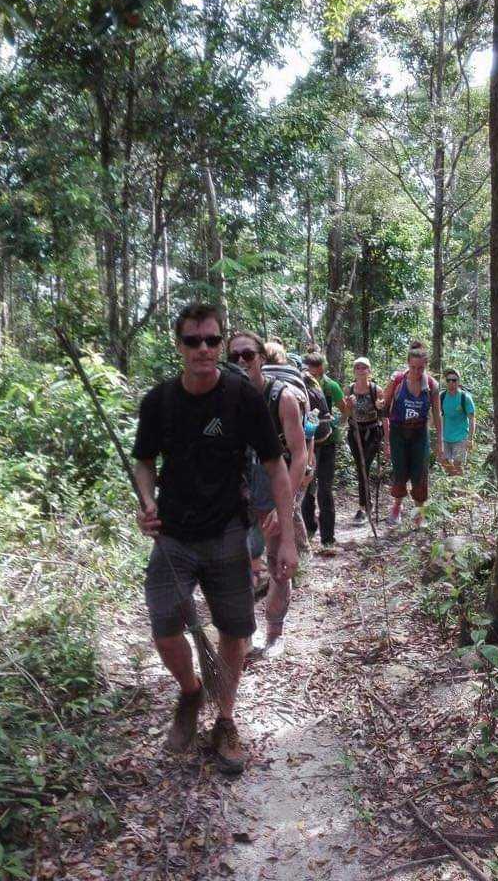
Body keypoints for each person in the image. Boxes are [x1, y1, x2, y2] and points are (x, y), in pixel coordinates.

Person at [132, 303, 298, 774]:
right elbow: (144, 462)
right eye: (192, 341)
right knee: (165, 628)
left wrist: (285, 538)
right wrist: (147, 501)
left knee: (235, 632)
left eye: (211, 340)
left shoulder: (241, 398)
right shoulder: (159, 402)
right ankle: (190, 691)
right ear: (179, 346)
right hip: (173, 538)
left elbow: (276, 466)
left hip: (227, 531)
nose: (203, 349)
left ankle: (224, 719)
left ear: (222, 344)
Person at [227, 331, 308, 659]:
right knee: (238, 564)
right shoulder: (226, 399)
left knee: (278, 566)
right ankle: (245, 634)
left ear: (261, 357)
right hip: (240, 491)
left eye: (248, 354)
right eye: (235, 357)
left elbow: (300, 454)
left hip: (276, 486)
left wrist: (282, 505)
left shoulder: (283, 398)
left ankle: (275, 633)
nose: (243, 361)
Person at [382, 341, 443, 525]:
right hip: (398, 432)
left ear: (426, 366)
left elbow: (437, 415)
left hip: (419, 432)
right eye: (413, 367)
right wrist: (386, 439)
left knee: (420, 472)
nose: (416, 371)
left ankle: (419, 513)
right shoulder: (398, 380)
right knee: (400, 470)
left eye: (421, 368)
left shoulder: (432, 385)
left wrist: (439, 442)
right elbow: (384, 406)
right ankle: (397, 507)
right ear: (408, 364)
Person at [300, 353, 345, 548]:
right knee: (307, 487)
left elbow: (344, 409)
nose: (313, 371)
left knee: (324, 489)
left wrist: (335, 424)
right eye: (310, 366)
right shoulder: (299, 385)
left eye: (316, 367)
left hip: (327, 443)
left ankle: (328, 538)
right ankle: (309, 529)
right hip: (306, 442)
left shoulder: (331, 386)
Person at [345, 357, 384, 525]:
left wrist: (380, 406)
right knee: (360, 467)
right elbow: (345, 414)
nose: (361, 370)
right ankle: (364, 505)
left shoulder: (376, 390)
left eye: (364, 368)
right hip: (355, 432)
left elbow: (383, 414)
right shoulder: (349, 389)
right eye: (358, 368)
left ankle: (364, 506)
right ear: (354, 371)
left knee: (364, 466)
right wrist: (348, 405)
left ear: (370, 371)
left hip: (372, 432)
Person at [440, 368, 476, 476]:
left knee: (457, 464)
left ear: (458, 381)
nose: (451, 382)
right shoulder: (441, 397)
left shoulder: (465, 398)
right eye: (448, 380)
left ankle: (459, 488)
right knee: (444, 462)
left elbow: (472, 418)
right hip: (445, 437)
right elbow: (437, 416)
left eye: (454, 380)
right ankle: (453, 482)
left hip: (460, 437)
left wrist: (470, 438)